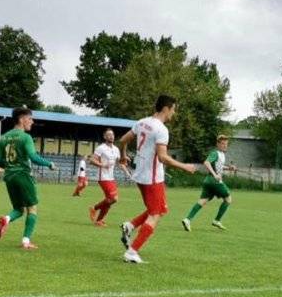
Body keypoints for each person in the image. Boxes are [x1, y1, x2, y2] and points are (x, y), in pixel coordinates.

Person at [118, 95, 197, 264]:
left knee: (158, 208)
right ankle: (132, 251)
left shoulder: (141, 122)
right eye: (173, 109)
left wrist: (123, 156)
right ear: (166, 109)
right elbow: (162, 157)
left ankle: (130, 226)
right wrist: (185, 167)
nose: (174, 113)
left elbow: (123, 140)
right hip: (153, 178)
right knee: (156, 214)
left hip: (140, 175)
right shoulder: (161, 129)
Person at [0, 107, 56, 250]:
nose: (32, 122)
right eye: (30, 119)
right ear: (21, 119)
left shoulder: (4, 137)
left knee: (19, 209)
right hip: (23, 175)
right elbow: (33, 157)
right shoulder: (25, 137)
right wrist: (49, 164)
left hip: (9, 176)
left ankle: (6, 219)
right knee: (32, 208)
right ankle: (26, 242)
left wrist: (10, 165)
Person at [182, 135, 238, 231]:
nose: (225, 146)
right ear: (218, 144)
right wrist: (215, 175)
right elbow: (206, 162)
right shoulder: (215, 153)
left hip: (208, 181)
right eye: (223, 144)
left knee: (202, 201)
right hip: (214, 180)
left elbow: (219, 166)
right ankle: (217, 220)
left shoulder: (221, 155)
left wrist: (229, 168)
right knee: (228, 199)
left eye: (226, 144)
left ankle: (187, 219)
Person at [88, 129, 130, 226]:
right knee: (113, 198)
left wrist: (127, 172)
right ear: (105, 137)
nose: (111, 136)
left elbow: (120, 163)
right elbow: (91, 160)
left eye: (112, 135)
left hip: (111, 177)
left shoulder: (116, 149)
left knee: (110, 200)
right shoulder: (101, 148)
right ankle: (94, 208)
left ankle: (99, 220)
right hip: (103, 177)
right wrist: (102, 165)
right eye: (109, 135)